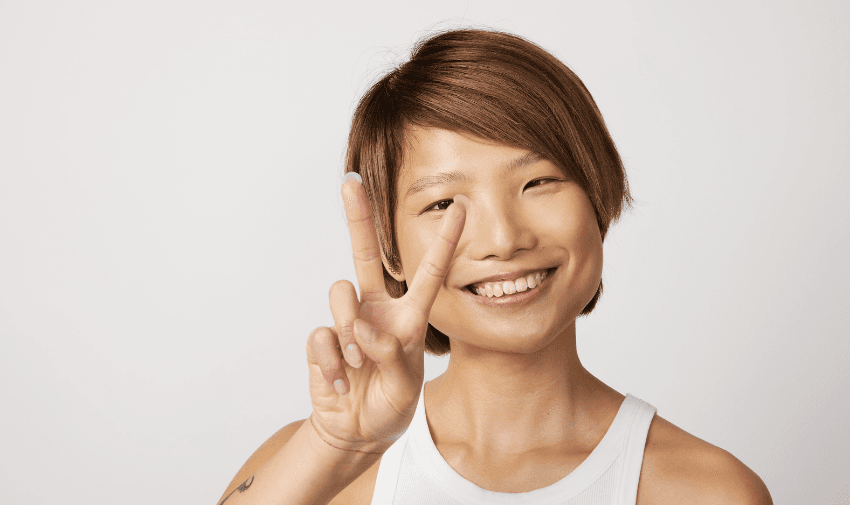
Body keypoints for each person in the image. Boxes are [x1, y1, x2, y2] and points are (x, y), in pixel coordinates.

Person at [217, 28, 773, 505]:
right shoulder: (319, 469)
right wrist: (338, 449)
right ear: (391, 250)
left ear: (597, 196)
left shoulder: (705, 490)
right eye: (442, 205)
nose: (504, 239)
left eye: (539, 183)